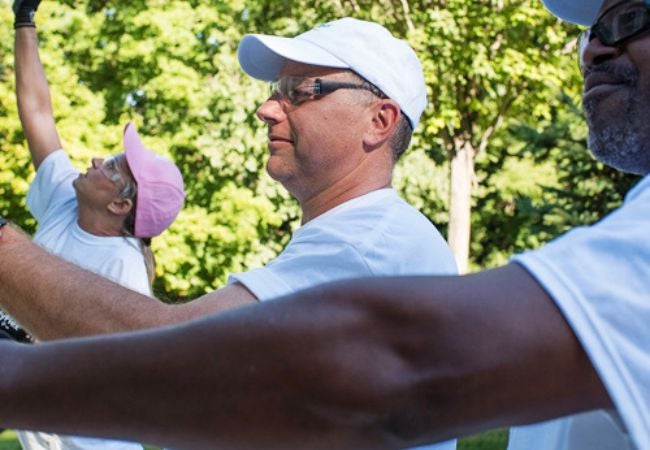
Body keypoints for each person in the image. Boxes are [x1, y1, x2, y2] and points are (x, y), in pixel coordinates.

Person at [0, 0, 645, 449]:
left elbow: (180, 354)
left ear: (379, 122)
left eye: (299, 91)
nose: (265, 108)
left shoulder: (367, 242)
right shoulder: (344, 236)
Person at [10, 2, 185, 449]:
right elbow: (37, 112)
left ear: (121, 204)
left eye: (111, 166)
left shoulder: (121, 270)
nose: (95, 160)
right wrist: (24, 19)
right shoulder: (65, 201)